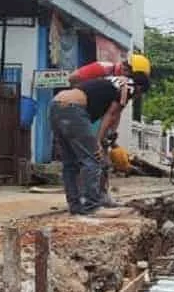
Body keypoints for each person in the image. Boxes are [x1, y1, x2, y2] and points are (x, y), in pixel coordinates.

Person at [49, 75, 135, 215]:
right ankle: (93, 207)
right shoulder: (128, 89)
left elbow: (115, 115)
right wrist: (99, 141)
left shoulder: (110, 82)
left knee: (70, 163)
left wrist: (110, 135)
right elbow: (110, 115)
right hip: (73, 109)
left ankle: (75, 207)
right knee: (93, 159)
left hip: (55, 105)